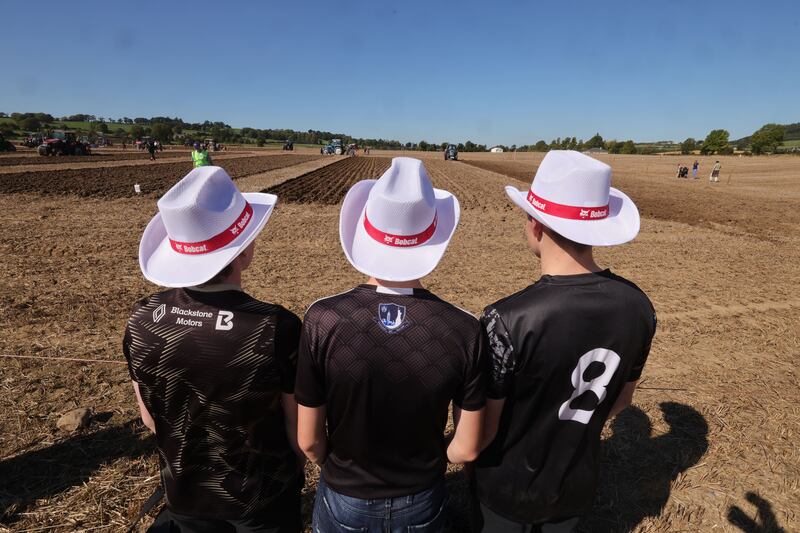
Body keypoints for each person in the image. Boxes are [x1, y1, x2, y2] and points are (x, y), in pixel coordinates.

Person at [295, 157, 486, 532]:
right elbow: (466, 448)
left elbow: (309, 442)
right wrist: (432, 459)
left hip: (344, 498)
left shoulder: (323, 319)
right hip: (422, 498)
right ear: (433, 237)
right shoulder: (464, 329)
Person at [472, 150, 657, 533]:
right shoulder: (640, 307)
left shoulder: (505, 319)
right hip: (575, 484)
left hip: (505, 490)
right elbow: (621, 400)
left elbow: (484, 429)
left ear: (535, 225)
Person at [123, 166, 305, 532]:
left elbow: (148, 418)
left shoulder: (142, 319)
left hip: (184, 496)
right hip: (261, 501)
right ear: (243, 250)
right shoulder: (276, 328)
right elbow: (297, 431)